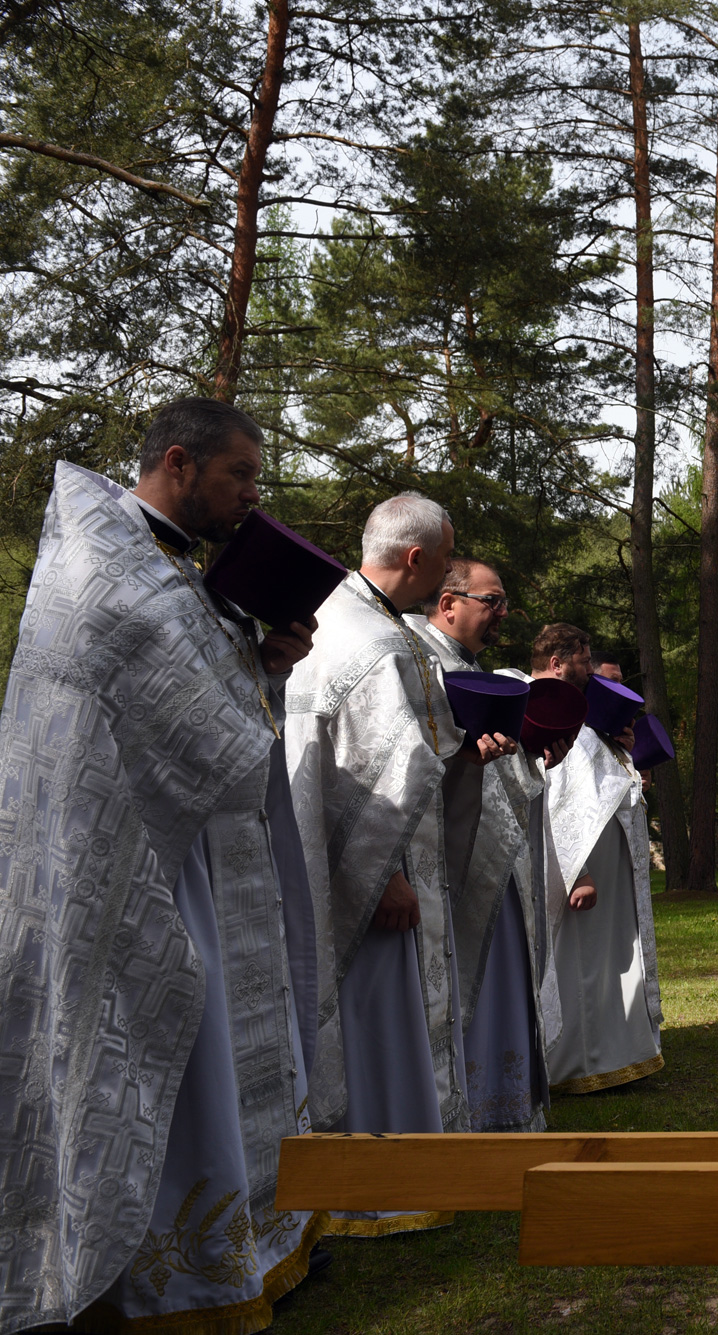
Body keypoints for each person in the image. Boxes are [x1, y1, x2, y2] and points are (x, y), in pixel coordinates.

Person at [0, 401, 324, 1331]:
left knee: (207, 1057)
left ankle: (235, 1245)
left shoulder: (166, 570)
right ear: (178, 463)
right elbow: (183, 722)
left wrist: (264, 664)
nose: (254, 498)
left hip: (194, 850)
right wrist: (245, 681)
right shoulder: (111, 571)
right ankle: (159, 1278)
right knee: (156, 1056)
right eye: (242, 477)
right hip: (132, 863)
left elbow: (208, 708)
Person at [288, 491, 493, 1235]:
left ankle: (402, 1166)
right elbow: (371, 776)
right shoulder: (370, 643)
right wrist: (390, 873)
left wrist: (469, 754)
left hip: (376, 862)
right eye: (445, 558)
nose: (448, 576)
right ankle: (381, 1179)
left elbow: (410, 758)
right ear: (417, 559)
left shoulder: (355, 619)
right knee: (378, 1018)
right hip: (377, 875)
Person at [409, 558, 558, 1135]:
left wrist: (534, 757)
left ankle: (502, 1106)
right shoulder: (420, 664)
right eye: (491, 601)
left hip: (499, 855)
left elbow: (499, 768)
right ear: (449, 604)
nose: (502, 614)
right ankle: (463, 1112)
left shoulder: (473, 669)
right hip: (446, 858)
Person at [541, 634, 663, 1091]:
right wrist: (577, 872)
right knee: (585, 964)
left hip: (618, 871)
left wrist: (628, 755)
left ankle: (622, 1050)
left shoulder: (603, 738)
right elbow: (563, 807)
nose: (600, 682)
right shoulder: (574, 733)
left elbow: (619, 797)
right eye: (593, 671)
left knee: (618, 958)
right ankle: (584, 1060)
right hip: (585, 873)